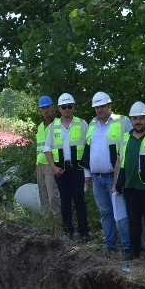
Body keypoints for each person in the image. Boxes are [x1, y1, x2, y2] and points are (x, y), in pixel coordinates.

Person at [80, 91, 132, 258]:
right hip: (97, 178)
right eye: (97, 107)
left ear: (110, 106)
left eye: (103, 106)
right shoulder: (92, 124)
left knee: (121, 214)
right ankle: (109, 244)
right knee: (105, 212)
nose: (100, 109)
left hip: (114, 178)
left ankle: (127, 247)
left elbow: (132, 147)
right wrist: (87, 173)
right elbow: (88, 151)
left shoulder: (123, 121)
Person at [114, 101, 145, 262]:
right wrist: (116, 183)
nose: (138, 122)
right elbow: (120, 160)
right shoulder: (125, 137)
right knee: (133, 221)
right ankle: (134, 251)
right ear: (131, 120)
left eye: (141, 118)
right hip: (129, 186)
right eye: (135, 118)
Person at [44, 92, 90, 239]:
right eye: (64, 107)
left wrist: (87, 168)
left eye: (69, 106)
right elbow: (47, 149)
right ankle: (68, 231)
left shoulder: (82, 124)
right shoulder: (53, 127)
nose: (66, 109)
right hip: (61, 170)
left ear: (74, 107)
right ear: (59, 109)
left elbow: (89, 147)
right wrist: (53, 167)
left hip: (77, 168)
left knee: (79, 200)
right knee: (64, 200)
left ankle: (84, 232)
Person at [35, 95, 61, 217]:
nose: (45, 110)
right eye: (42, 108)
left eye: (47, 107)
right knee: (43, 195)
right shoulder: (40, 126)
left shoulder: (58, 124)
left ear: (52, 107)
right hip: (40, 164)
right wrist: (37, 165)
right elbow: (40, 147)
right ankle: (47, 220)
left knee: (53, 196)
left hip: (52, 164)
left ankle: (58, 220)